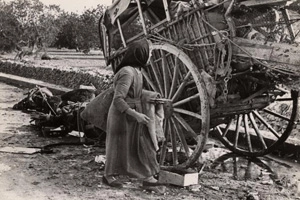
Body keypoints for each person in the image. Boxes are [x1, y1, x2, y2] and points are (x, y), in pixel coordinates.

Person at [103, 38, 161, 189]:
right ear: (141, 54)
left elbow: (136, 92)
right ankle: (108, 176)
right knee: (116, 147)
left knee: (143, 144)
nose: (151, 56)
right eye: (150, 53)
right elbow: (118, 99)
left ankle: (148, 176)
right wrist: (136, 115)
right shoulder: (127, 72)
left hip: (134, 112)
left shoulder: (138, 71)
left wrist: (152, 97)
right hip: (121, 115)